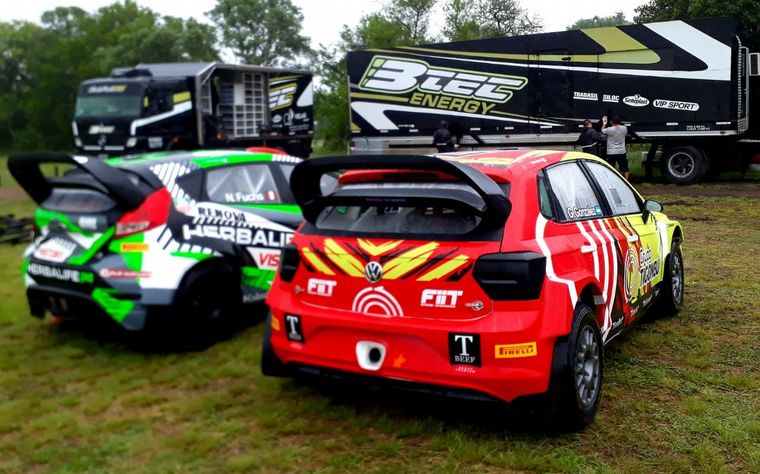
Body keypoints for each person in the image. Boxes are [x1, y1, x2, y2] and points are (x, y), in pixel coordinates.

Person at [601, 115, 629, 180]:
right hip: (621, 151)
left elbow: (602, 130)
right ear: (619, 121)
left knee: (611, 168)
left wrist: (604, 123)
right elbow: (625, 134)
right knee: (625, 167)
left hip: (611, 152)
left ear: (611, 122)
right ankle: (627, 180)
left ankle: (612, 180)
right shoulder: (624, 128)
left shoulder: (609, 129)